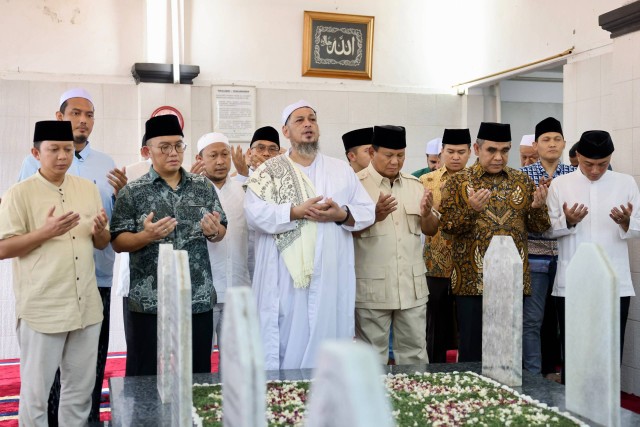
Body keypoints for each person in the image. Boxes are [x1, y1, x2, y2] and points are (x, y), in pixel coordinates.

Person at [16, 88, 127, 425]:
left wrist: (122, 195)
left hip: (96, 281)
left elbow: (108, 224)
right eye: (76, 113)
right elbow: (22, 223)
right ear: (60, 116)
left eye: (89, 114)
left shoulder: (105, 164)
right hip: (50, 286)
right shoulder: (29, 170)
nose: (83, 120)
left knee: (86, 372)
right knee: (43, 381)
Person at [244, 100, 375, 370]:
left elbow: (366, 210)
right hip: (284, 275)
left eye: (312, 119)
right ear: (286, 131)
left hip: (328, 271)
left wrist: (341, 215)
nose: (308, 125)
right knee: (284, 328)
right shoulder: (269, 171)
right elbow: (254, 214)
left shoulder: (340, 170)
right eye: (300, 120)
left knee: (326, 328)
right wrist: (293, 212)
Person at [0, 121, 110, 426]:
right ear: (36, 152)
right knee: (36, 396)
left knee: (79, 393)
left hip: (86, 307)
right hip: (43, 309)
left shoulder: (87, 190)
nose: (62, 156)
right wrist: (45, 232)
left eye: (67, 149)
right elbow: (3, 248)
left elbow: (101, 242)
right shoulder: (18, 195)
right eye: (53, 149)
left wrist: (101, 232)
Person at [110, 114, 227, 376]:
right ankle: (144, 418)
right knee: (144, 372)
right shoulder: (133, 191)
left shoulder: (202, 186)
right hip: (149, 299)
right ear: (146, 151)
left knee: (197, 372)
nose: (173, 153)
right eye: (164, 147)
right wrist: (145, 237)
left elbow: (221, 229)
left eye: (178, 145)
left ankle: (193, 417)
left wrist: (214, 231)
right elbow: (117, 241)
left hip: (196, 296)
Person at [439, 122, 551, 362]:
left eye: (505, 150)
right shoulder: (458, 182)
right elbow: (447, 228)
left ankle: (507, 397)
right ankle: (471, 398)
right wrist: (471, 210)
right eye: (492, 150)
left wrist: (538, 208)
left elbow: (539, 227)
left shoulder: (521, 181)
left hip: (511, 278)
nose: (499, 157)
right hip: (471, 279)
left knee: (507, 351)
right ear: (477, 149)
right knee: (472, 350)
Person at [545, 130, 640, 383]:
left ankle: (609, 414)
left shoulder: (626, 182)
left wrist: (627, 222)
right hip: (573, 281)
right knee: (575, 349)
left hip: (614, 281)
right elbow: (548, 231)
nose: (596, 170)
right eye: (589, 164)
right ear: (577, 156)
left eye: (603, 164)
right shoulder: (560, 184)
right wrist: (568, 221)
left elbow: (638, 228)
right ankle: (570, 412)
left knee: (610, 349)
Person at [353, 125, 438, 365]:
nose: (395, 161)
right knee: (371, 359)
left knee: (415, 355)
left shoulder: (416, 185)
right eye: (388, 155)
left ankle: (413, 401)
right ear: (372, 152)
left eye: (400, 155)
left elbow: (431, 229)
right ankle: (371, 403)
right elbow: (342, 232)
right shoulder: (355, 185)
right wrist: (373, 216)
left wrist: (426, 214)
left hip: (411, 287)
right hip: (372, 289)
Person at [520, 117, 574, 378]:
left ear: (564, 143)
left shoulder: (574, 176)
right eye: (546, 140)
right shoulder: (522, 177)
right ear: (536, 145)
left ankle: (568, 376)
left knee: (568, 320)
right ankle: (532, 377)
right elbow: (518, 219)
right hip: (535, 257)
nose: (552, 144)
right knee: (532, 320)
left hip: (568, 256)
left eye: (556, 139)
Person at [195, 131, 251, 353]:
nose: (220, 161)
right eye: (213, 155)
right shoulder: (192, 193)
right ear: (200, 159)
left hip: (237, 290)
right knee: (199, 360)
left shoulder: (244, 191)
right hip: (203, 293)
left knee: (236, 361)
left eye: (224, 154)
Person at [420, 128, 472, 363]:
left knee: (468, 326)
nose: (455, 157)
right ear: (441, 152)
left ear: (470, 152)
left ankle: (469, 372)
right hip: (436, 264)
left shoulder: (478, 180)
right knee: (436, 326)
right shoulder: (426, 181)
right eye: (450, 151)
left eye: (461, 152)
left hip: (469, 266)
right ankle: (434, 371)